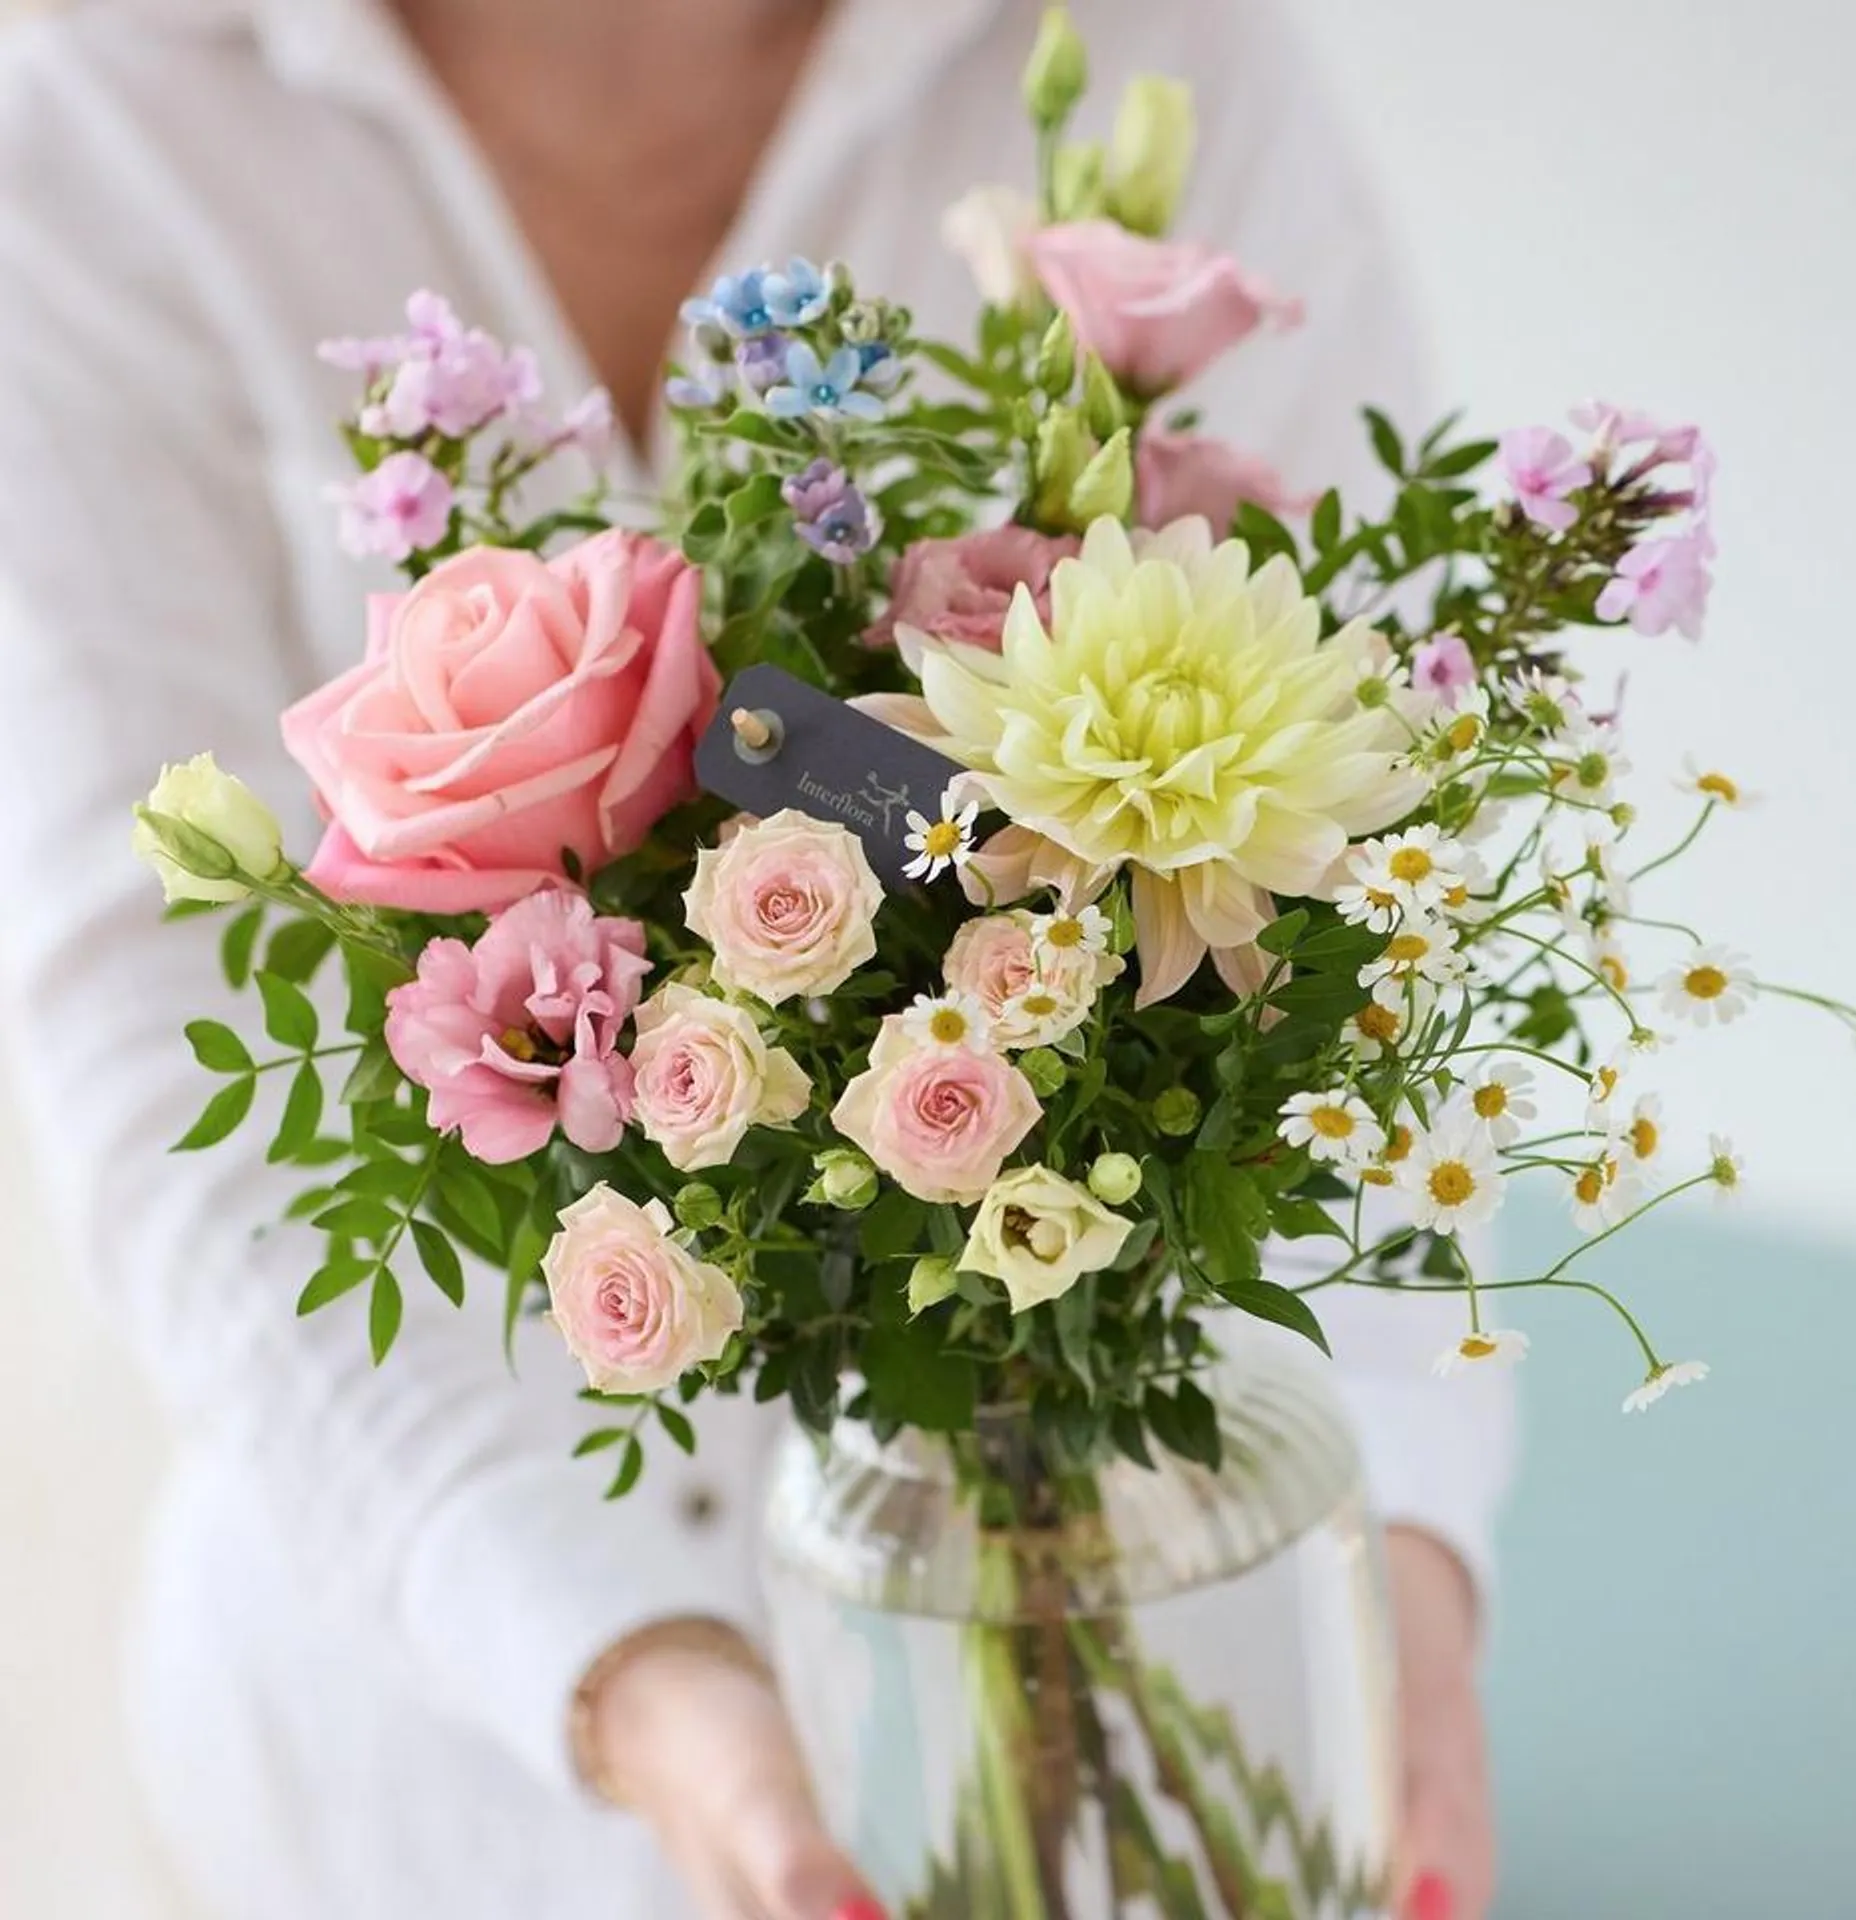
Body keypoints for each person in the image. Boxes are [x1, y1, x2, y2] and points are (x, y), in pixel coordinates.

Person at [0, 2, 1511, 1917]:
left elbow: (1359, 908)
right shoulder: (93, 128)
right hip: (432, 1775)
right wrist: (634, 1680)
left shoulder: (1138, 38)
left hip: (1141, 1649)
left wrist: (1394, 1581)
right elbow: (164, 1057)